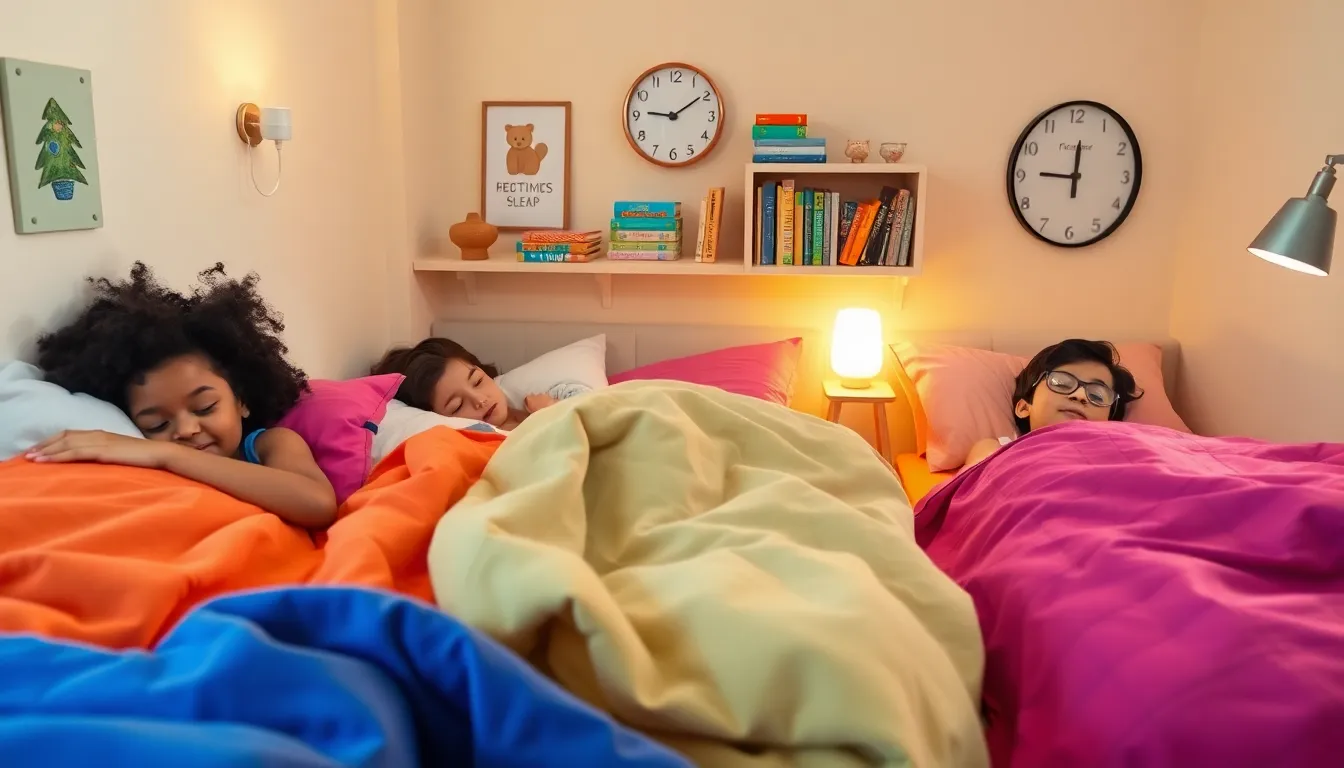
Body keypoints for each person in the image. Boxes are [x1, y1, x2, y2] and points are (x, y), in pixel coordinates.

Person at [28, 262, 337, 528]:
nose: (186, 430)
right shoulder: (148, 467)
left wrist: (170, 455)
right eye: (158, 425)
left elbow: (318, 505)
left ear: (241, 399)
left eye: (205, 407)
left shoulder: (268, 444)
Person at [963, 339, 1143, 467]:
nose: (1080, 395)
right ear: (1024, 407)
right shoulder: (997, 450)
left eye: (1097, 396)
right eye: (1061, 383)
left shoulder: (1124, 456)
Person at [370, 338, 582, 431]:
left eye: (478, 381)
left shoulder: (552, 397)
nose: (480, 400)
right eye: (457, 406)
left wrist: (552, 407)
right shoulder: (482, 441)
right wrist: (549, 416)